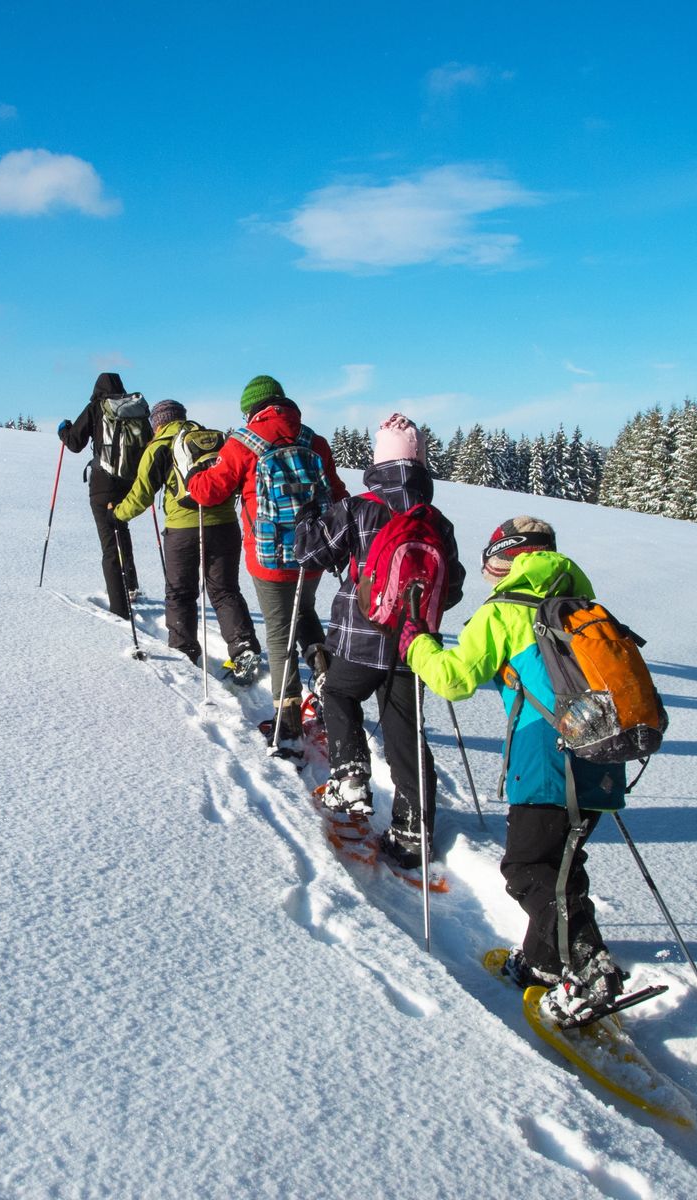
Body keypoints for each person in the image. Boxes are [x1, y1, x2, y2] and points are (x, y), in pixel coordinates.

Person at [402, 516, 628, 1020]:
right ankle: (545, 961)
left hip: (546, 754)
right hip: (603, 753)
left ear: (506, 557)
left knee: (526, 867)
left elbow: (455, 680)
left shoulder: (506, 610)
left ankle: (590, 965)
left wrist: (417, 641)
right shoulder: (583, 604)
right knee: (562, 862)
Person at [294, 414, 464, 871]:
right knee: (405, 732)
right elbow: (455, 586)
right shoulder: (436, 520)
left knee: (339, 692)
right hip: (415, 646)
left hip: (361, 638)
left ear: (379, 460)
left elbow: (309, 553)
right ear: (420, 462)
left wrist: (309, 516)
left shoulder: (359, 507)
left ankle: (350, 772)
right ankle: (413, 831)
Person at [185, 375, 347, 737]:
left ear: (251, 411)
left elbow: (210, 492)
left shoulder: (243, 443)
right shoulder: (313, 440)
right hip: (314, 554)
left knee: (277, 631)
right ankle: (324, 676)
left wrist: (194, 477)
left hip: (269, 557)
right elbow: (336, 493)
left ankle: (287, 717)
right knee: (304, 613)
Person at [111, 399, 260, 675]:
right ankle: (244, 648)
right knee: (225, 590)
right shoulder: (212, 440)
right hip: (225, 525)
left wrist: (119, 514)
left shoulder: (159, 446)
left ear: (158, 423)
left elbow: (141, 495)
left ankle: (184, 652)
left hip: (182, 530)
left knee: (180, 593)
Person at [58, 372, 145, 617]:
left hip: (103, 483)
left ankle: (119, 608)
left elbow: (75, 443)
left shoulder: (97, 407)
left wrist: (63, 430)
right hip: (129, 483)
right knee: (122, 528)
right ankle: (131, 586)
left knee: (109, 542)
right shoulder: (133, 409)